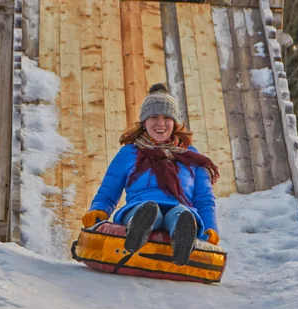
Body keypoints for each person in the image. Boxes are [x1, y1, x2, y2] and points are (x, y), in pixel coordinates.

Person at [81, 83, 220, 266]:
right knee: (148, 209)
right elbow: (109, 190)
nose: (160, 123)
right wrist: (98, 210)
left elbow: (204, 199)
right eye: (154, 116)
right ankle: (139, 230)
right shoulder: (129, 153)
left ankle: (182, 238)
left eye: (167, 118)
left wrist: (210, 227)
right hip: (140, 206)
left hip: (181, 208)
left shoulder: (191, 157)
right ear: (144, 123)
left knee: (182, 214)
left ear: (174, 123)